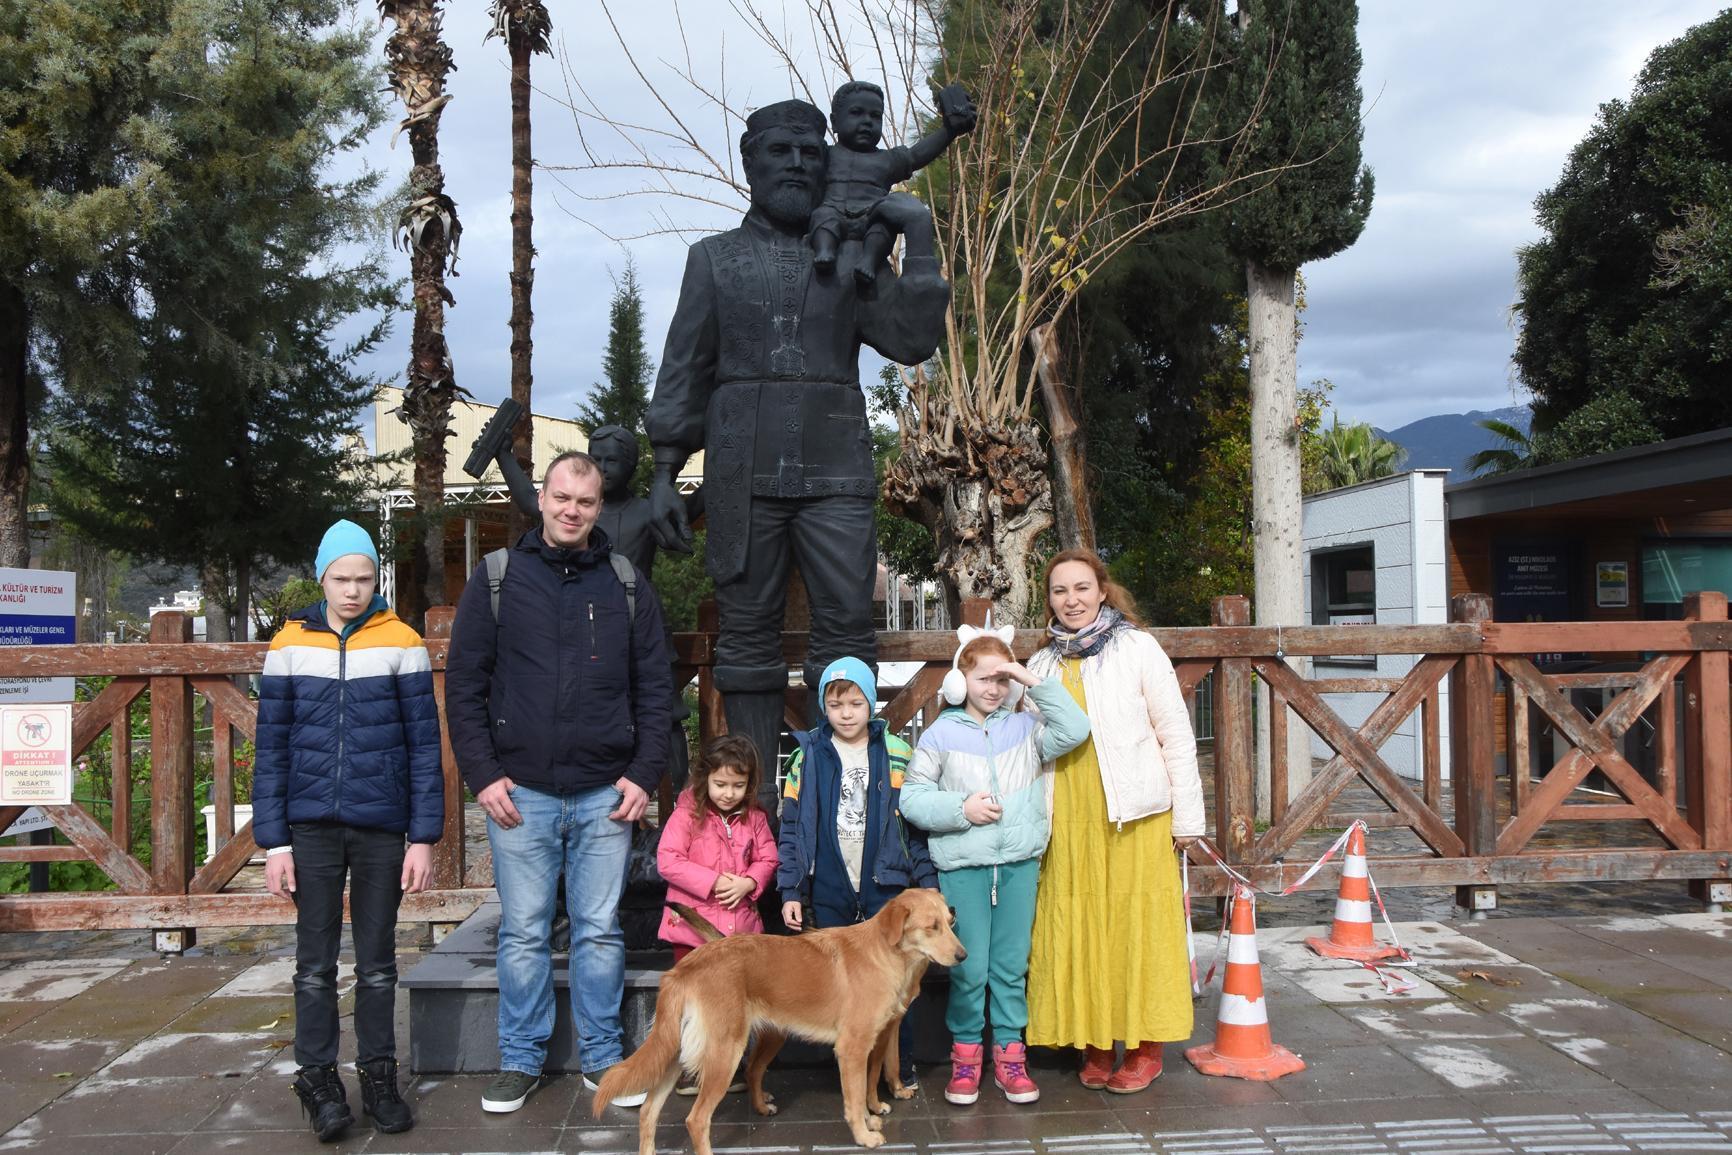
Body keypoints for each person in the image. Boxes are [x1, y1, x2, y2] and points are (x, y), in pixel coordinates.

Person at [645, 97, 965, 813]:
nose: (796, 165)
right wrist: (666, 468)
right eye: (780, 152)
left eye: (809, 153)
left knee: (847, 630)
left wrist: (918, 229)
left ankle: (842, 806)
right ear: (750, 162)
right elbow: (684, 368)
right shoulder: (714, 260)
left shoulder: (853, 253)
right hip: (742, 472)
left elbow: (912, 339)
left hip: (835, 471)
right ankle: (751, 814)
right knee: (746, 646)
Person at [445, 451, 674, 1115]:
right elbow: (464, 686)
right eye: (562, 496)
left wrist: (642, 774)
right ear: (541, 499)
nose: (572, 509)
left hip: (607, 791)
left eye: (586, 500)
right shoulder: (498, 578)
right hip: (522, 794)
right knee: (523, 930)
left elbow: (656, 688)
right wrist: (483, 775)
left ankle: (603, 1057)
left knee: (600, 929)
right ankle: (519, 1057)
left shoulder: (625, 583)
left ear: (598, 507)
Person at [256, 519, 443, 1143]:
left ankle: (379, 1076)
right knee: (313, 966)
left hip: (381, 827)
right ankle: (318, 1081)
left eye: (365, 578)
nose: (353, 590)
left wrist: (423, 836)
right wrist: (273, 842)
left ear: (376, 580)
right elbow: (271, 748)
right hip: (308, 828)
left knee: (378, 964)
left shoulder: (402, 640)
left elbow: (424, 745)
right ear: (321, 577)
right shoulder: (287, 644)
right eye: (342, 578)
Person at [1023, 548, 1205, 1093]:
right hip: (1068, 818)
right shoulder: (1039, 665)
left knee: (1137, 928)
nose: (1071, 600)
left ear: (1102, 590)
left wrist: (1188, 818)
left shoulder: (1137, 648)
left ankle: (1146, 1047)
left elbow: (1174, 731)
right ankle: (1096, 1043)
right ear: (1048, 600)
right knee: (1078, 928)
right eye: (1060, 591)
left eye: (1081, 588)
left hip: (1133, 814)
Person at [900, 627, 1091, 1106]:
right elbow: (913, 797)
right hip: (963, 868)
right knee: (970, 968)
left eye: (1003, 680)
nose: (995, 688)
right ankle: (966, 1058)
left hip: (1018, 866)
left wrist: (1031, 680)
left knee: (1009, 966)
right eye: (984, 678)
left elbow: (1076, 728)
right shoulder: (940, 733)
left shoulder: (1026, 728)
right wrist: (962, 810)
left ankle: (1010, 1055)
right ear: (960, 681)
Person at [776, 656, 937, 1088]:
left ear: (871, 704)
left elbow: (915, 826)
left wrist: (927, 884)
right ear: (824, 708)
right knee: (842, 984)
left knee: (897, 983)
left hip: (885, 885)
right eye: (835, 704)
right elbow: (790, 827)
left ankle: (896, 1067)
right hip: (830, 884)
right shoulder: (805, 756)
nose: (846, 713)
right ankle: (851, 1069)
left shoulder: (898, 753)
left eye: (855, 703)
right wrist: (791, 890)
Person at [656, 733, 778, 1095]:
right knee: (695, 1004)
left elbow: (768, 857)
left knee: (734, 1002)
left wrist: (749, 883)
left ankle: (731, 1066)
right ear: (703, 779)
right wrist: (711, 882)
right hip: (692, 930)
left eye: (738, 785)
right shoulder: (685, 816)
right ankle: (692, 1069)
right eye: (720, 784)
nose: (728, 793)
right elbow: (668, 860)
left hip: (740, 931)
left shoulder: (755, 818)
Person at [808, 79, 977, 285]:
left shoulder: (886, 160)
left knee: (883, 229)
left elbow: (916, 155)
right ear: (834, 122)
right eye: (856, 113)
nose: (867, 121)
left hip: (869, 218)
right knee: (822, 217)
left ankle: (868, 261)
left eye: (875, 116)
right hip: (832, 210)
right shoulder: (824, 155)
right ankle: (825, 251)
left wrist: (949, 131)